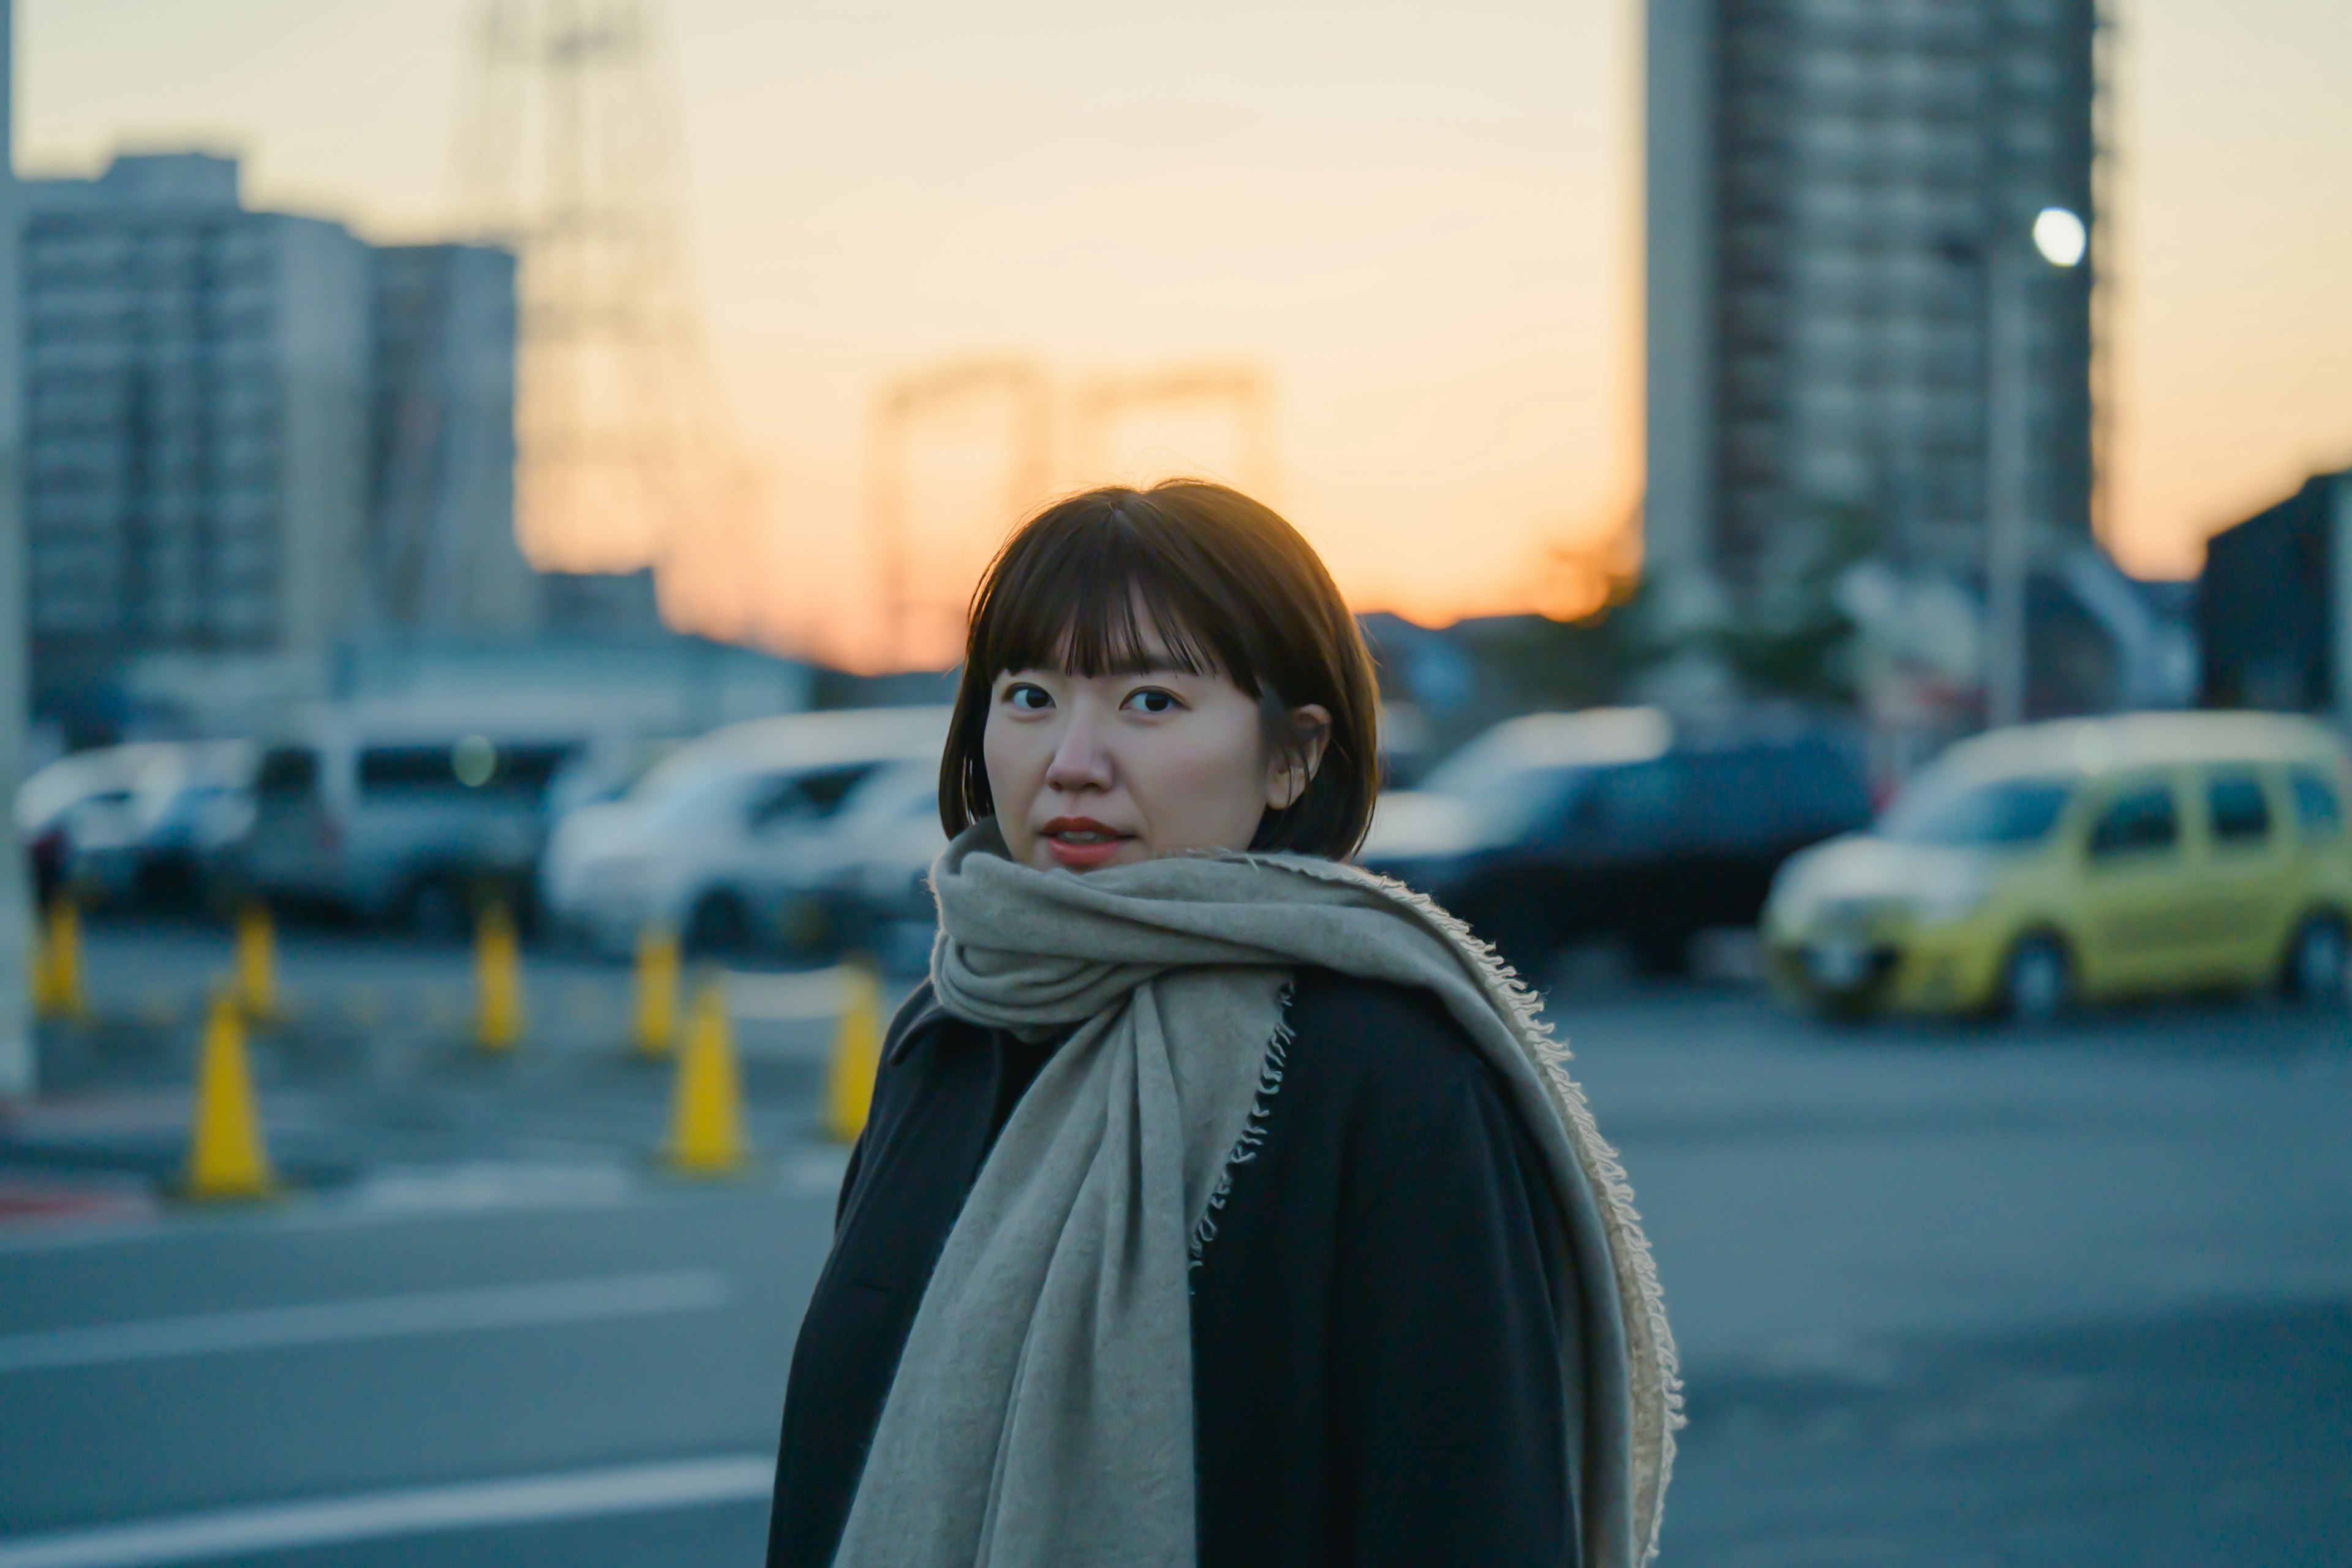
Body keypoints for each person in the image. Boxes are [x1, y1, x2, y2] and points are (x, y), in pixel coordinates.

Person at [767, 481, 1678, 1568]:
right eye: (1029, 695)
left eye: (1150, 701)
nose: (1073, 760)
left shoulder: (1384, 1071)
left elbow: (1468, 1516)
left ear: (1293, 753)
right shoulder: (951, 1034)